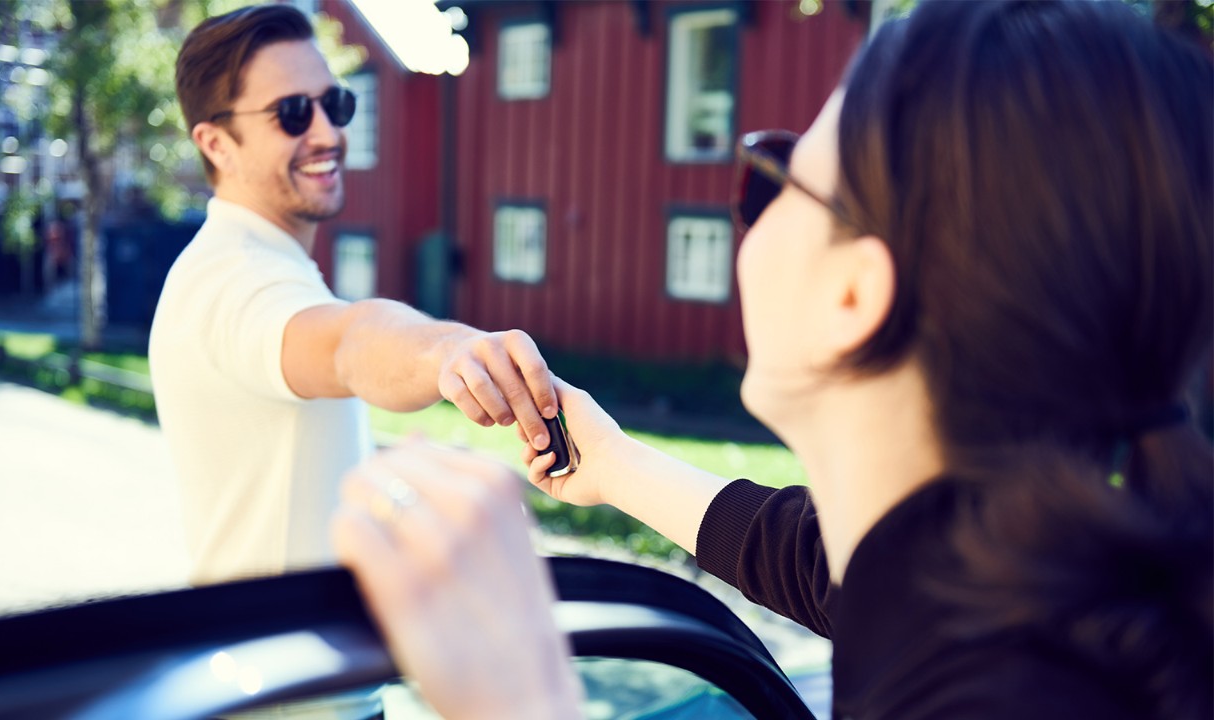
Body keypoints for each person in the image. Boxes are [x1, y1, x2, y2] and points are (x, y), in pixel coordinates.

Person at [332, 1, 1213, 718]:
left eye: (775, 176)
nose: (746, 205)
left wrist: (517, 694)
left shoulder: (995, 693)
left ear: (854, 297)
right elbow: (831, 565)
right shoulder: (1039, 580)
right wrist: (611, 464)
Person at [152, 4, 559, 586]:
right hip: (292, 666)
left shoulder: (247, 261)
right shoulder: (237, 282)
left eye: (334, 104)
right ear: (217, 144)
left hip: (292, 654)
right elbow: (349, 343)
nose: (327, 133)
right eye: (291, 113)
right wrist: (449, 351)